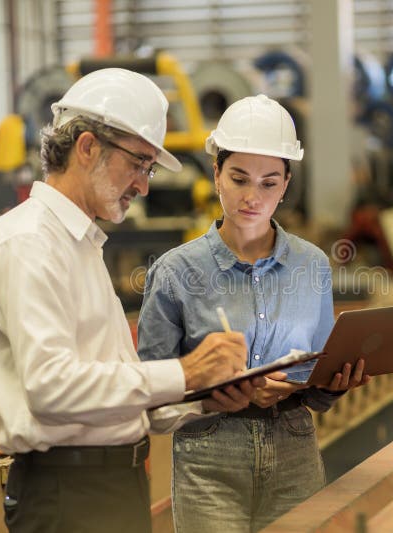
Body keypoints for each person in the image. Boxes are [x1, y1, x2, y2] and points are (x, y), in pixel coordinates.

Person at [0, 68, 261, 533]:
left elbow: (109, 395)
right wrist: (185, 372)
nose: (143, 186)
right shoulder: (27, 243)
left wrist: (203, 398)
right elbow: (51, 388)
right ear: (87, 147)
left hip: (107, 487)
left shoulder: (79, 243)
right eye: (139, 163)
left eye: (148, 169)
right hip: (68, 495)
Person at [138, 94, 369, 532]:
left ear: (286, 185)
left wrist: (335, 384)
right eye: (239, 178)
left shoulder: (312, 265)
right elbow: (150, 393)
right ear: (216, 174)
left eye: (268, 183)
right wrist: (209, 398)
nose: (252, 197)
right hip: (210, 457)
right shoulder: (175, 272)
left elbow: (316, 380)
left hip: (295, 449)